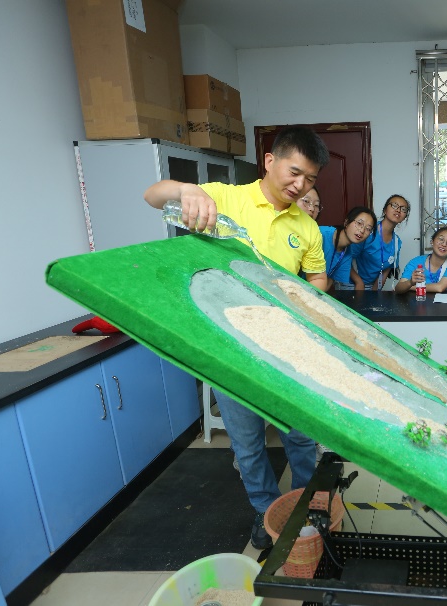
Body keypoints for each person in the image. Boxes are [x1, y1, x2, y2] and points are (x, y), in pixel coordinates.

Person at [143, 126, 330, 552]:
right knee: (247, 444)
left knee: (301, 437)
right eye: (295, 172)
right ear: (270, 161)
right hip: (229, 349)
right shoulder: (224, 199)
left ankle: (304, 504)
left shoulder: (307, 228)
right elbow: (153, 195)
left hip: (287, 348)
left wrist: (305, 296)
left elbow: (318, 277)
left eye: (310, 179)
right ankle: (265, 510)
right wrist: (188, 191)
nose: (300, 185)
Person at [350, 195, 408, 290]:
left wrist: (375, 291)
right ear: (385, 210)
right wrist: (358, 282)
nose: (398, 210)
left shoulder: (397, 242)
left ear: (404, 217)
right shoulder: (368, 231)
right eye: (394, 205)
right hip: (350, 284)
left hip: (371, 286)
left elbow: (385, 270)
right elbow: (345, 258)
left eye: (403, 209)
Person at [321, 206, 377, 290]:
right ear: (346, 222)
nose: (362, 230)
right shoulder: (321, 234)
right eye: (359, 223)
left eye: (368, 229)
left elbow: (330, 279)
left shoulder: (347, 252)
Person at [396, 227, 447, 294]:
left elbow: (440, 288)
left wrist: (411, 287)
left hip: (441, 301)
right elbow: (398, 288)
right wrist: (410, 282)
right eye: (441, 239)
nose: (444, 244)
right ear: (432, 241)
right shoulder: (416, 262)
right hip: (418, 299)